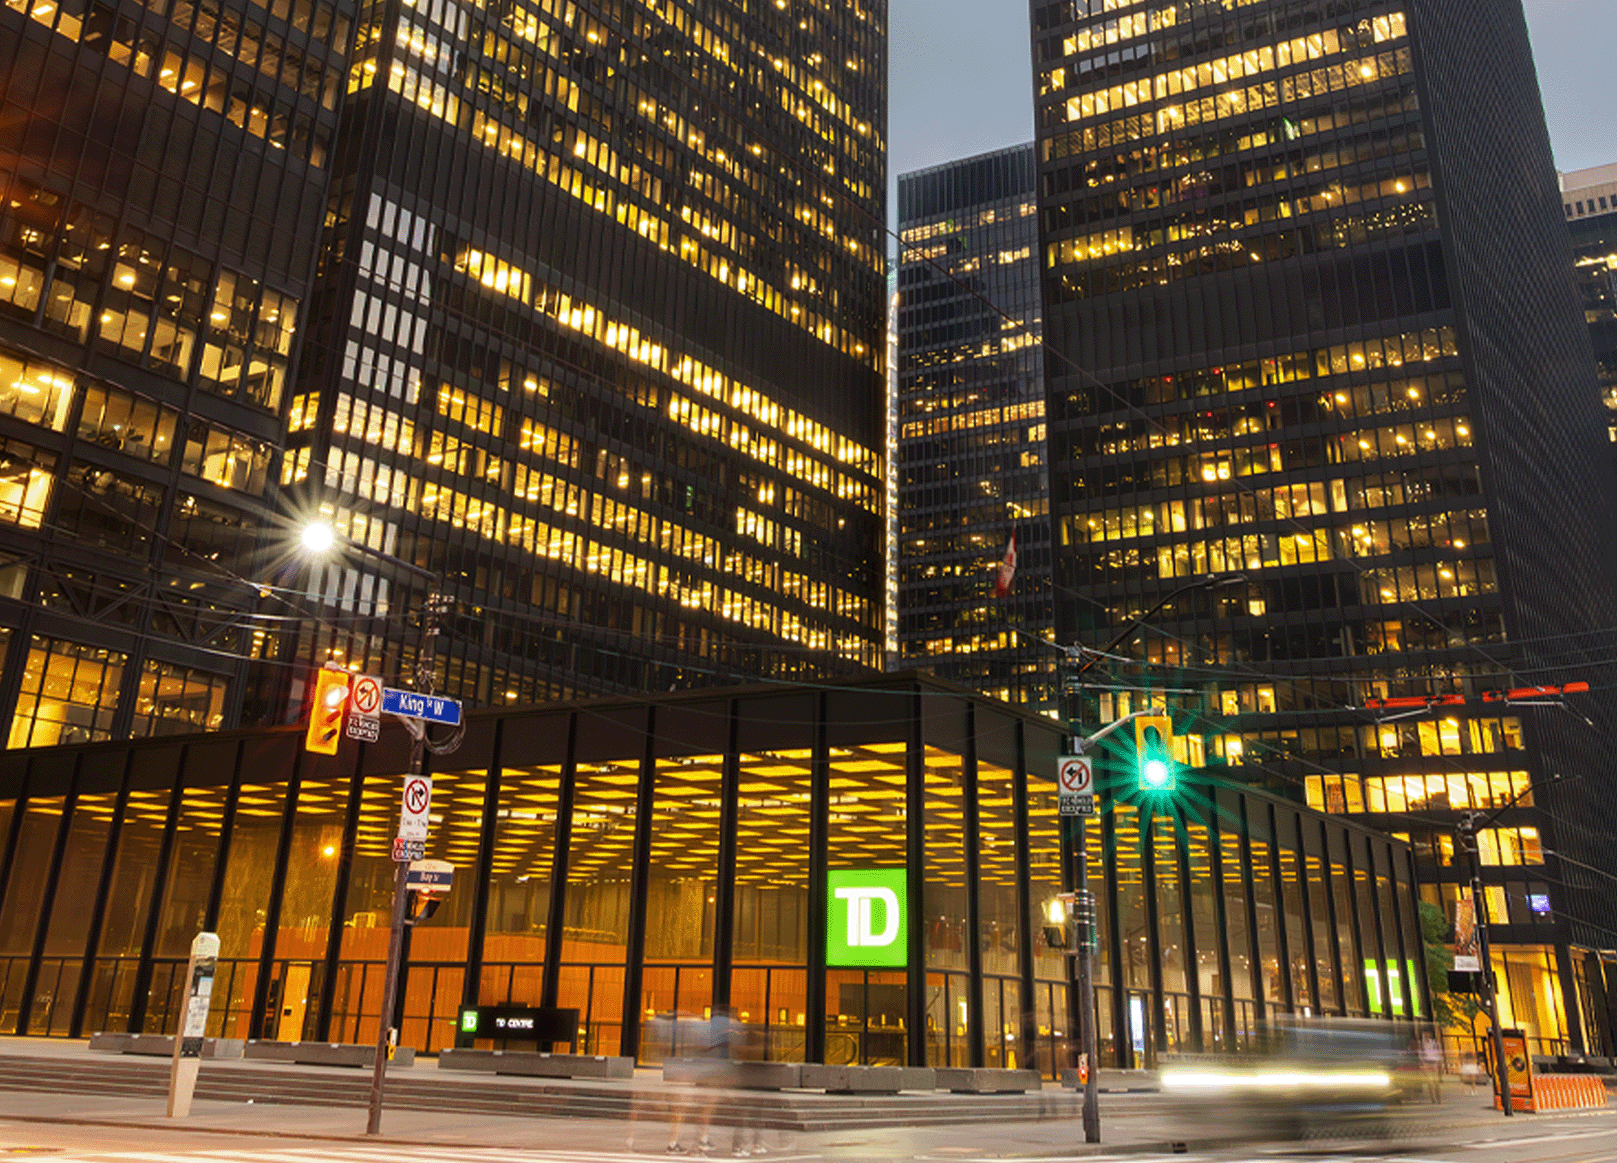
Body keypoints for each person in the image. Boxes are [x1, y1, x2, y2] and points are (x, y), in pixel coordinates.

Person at [1420, 1033, 1444, 1103]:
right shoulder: (1421, 1044)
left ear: (1430, 1036)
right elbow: (1420, 1053)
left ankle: (1439, 1098)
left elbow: (1438, 1053)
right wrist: (1422, 1063)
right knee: (1430, 1082)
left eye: (1427, 1035)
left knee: (1436, 1082)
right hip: (1426, 1063)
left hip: (1434, 1063)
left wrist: (1439, 1063)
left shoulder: (1434, 1043)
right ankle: (1433, 1099)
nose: (1426, 1037)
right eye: (1425, 1036)